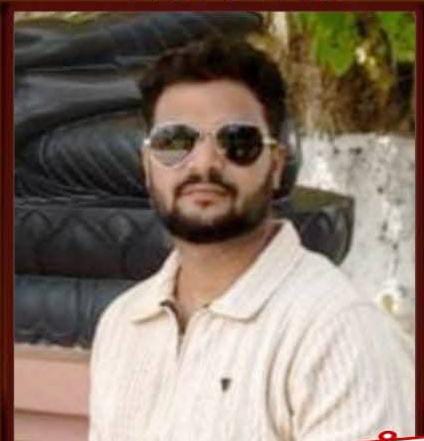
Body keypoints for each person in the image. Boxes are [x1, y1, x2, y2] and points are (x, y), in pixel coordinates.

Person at [89, 38, 414, 441]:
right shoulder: (122, 323)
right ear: (147, 165)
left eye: (237, 141)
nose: (204, 163)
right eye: (174, 141)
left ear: (275, 166)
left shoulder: (338, 330)